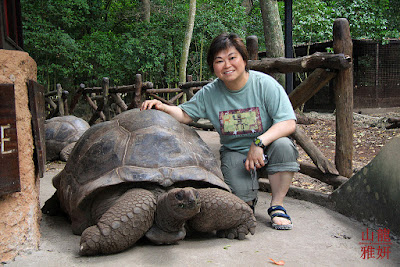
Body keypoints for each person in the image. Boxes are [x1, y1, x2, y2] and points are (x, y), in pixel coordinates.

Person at [141, 33, 299, 230]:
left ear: (243, 59)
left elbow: (288, 122)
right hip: (235, 154)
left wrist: (259, 143)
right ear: (213, 66)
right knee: (240, 209)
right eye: (219, 61)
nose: (227, 65)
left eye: (232, 58)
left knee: (284, 145)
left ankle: (277, 205)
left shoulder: (265, 84)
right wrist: (163, 107)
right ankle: (249, 200)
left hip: (268, 148)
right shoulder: (210, 93)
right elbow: (184, 114)